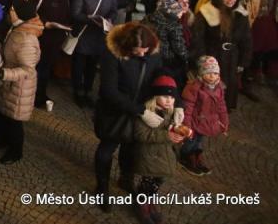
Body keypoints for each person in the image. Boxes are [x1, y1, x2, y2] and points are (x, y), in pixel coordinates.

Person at [94, 22, 167, 212]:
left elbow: (159, 75)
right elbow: (109, 90)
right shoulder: (113, 54)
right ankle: (102, 188)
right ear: (127, 46)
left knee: (131, 148)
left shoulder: (153, 53)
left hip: (140, 110)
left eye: (145, 50)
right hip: (115, 111)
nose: (142, 54)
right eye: (137, 51)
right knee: (106, 149)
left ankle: (125, 179)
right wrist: (140, 111)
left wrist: (170, 96)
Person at [0, 0, 42, 164]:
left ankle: (16, 151)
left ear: (19, 14)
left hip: (19, 87)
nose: (9, 12)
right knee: (0, 113)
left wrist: (3, 74)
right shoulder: (17, 28)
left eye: (12, 10)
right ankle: (2, 140)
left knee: (14, 120)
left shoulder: (27, 39)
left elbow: (28, 70)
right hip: (6, 82)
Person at [132, 75, 188, 224]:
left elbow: (171, 132)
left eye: (172, 97)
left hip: (163, 155)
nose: (169, 100)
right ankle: (142, 204)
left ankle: (150, 201)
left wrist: (179, 134)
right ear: (155, 96)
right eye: (165, 96)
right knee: (147, 182)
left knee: (158, 180)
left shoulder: (170, 113)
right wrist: (167, 136)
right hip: (149, 156)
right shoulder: (146, 113)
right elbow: (141, 135)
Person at [191, 0, 252, 110]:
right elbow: (198, 38)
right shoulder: (206, 13)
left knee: (231, 82)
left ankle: (225, 108)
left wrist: (243, 60)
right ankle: (209, 109)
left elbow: (246, 39)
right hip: (212, 53)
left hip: (233, 55)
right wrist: (202, 58)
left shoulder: (240, 14)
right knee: (212, 82)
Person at [70, 0, 117, 107]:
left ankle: (88, 90)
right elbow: (75, 13)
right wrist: (92, 19)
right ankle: (78, 91)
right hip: (84, 33)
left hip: (99, 34)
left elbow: (113, 11)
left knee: (92, 65)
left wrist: (108, 20)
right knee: (79, 64)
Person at [177, 56, 228, 178]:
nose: (212, 76)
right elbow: (188, 107)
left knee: (199, 141)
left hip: (207, 123)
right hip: (194, 121)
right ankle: (185, 157)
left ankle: (196, 157)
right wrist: (187, 124)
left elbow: (222, 106)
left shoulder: (219, 88)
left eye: (215, 73)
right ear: (201, 73)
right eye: (208, 73)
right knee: (190, 141)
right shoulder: (194, 87)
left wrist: (224, 122)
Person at [32, 0, 71, 108]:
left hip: (56, 38)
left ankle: (41, 93)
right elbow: (31, 13)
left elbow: (66, 15)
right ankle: (35, 95)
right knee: (38, 67)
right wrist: (45, 23)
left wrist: (66, 28)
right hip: (41, 37)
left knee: (47, 68)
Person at [247, 0, 278, 87]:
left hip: (270, 20)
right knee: (254, 47)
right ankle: (252, 73)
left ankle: (270, 73)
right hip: (253, 21)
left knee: (271, 47)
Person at [143, 0, 189, 87]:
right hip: (168, 60)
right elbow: (178, 47)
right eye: (178, 12)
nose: (181, 13)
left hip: (150, 56)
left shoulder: (148, 19)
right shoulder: (173, 25)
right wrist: (186, 58)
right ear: (170, 12)